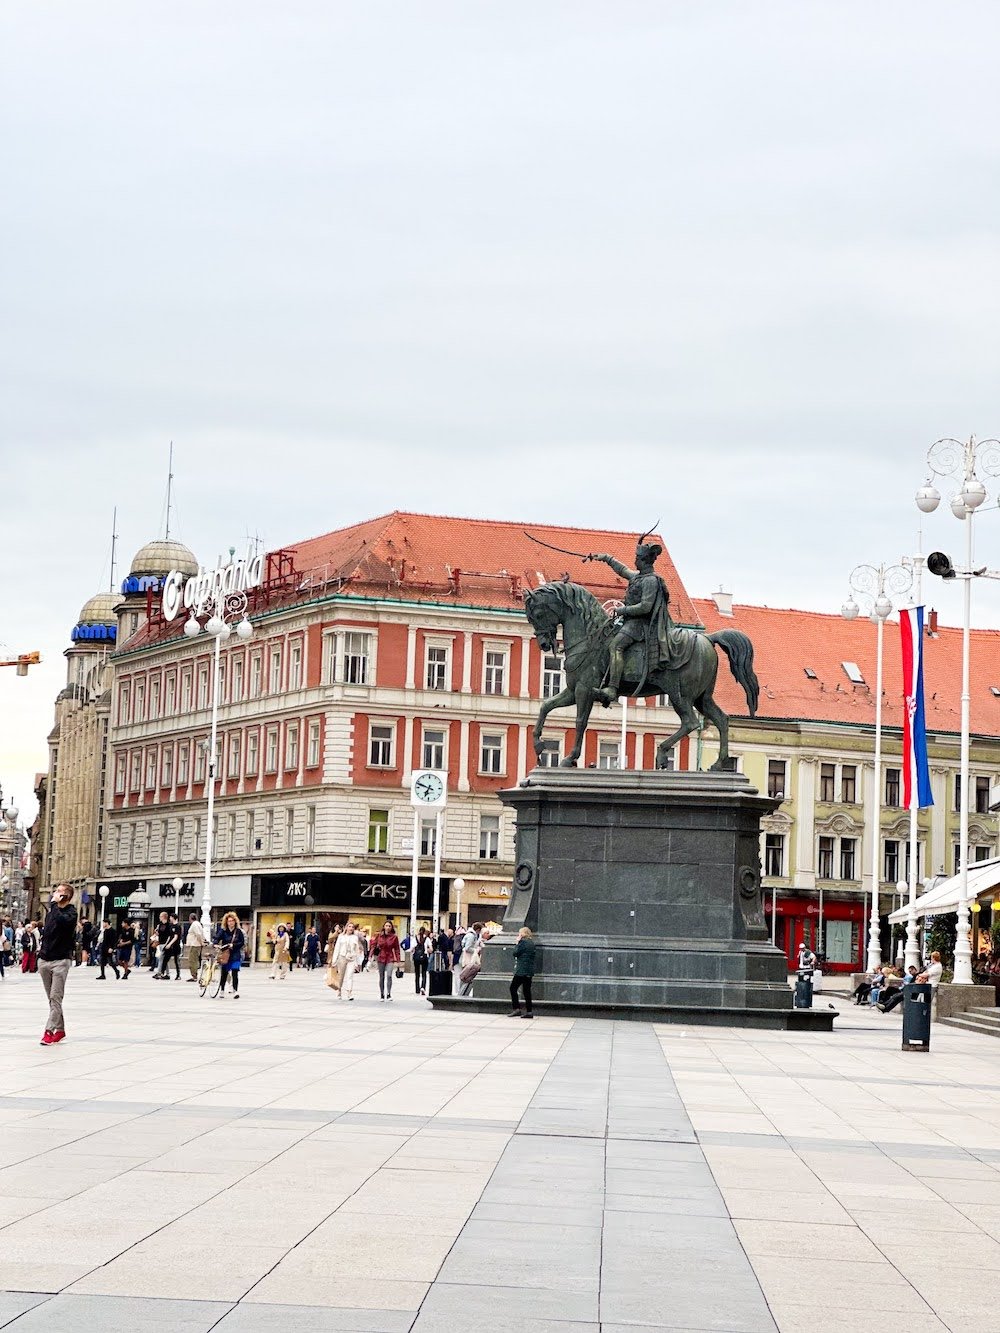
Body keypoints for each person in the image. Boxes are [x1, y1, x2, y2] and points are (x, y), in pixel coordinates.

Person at [587, 537, 693, 703]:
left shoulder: (650, 581)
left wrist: (623, 610)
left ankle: (613, 688)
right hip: (631, 622)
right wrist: (606, 558)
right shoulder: (639, 577)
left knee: (616, 646)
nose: (634, 561)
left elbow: (645, 607)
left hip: (642, 625)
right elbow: (622, 570)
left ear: (644, 561)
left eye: (637, 558)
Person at [38, 884, 78, 1045]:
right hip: (45, 960)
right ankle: (60, 1030)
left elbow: (62, 922)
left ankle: (49, 1031)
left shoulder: (71, 913)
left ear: (66, 896)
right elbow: (47, 932)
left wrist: (54, 905)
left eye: (59, 891)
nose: (55, 893)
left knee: (56, 997)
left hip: (61, 961)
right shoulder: (51, 912)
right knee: (52, 999)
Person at [214, 912, 245, 998]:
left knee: (235, 972)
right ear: (226, 922)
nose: (230, 923)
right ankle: (222, 990)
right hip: (225, 955)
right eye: (229, 921)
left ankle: (235, 991)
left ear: (235, 921)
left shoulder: (239, 932)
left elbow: (242, 942)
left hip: (235, 954)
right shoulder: (223, 931)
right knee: (224, 973)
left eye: (232, 921)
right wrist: (215, 944)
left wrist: (233, 945)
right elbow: (216, 938)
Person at [508, 927, 537, 1019]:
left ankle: (516, 1008)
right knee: (527, 991)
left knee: (513, 988)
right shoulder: (531, 943)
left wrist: (517, 943)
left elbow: (515, 953)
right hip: (529, 970)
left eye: (519, 933)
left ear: (522, 934)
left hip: (521, 970)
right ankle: (529, 1011)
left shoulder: (522, 942)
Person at [331, 922, 363, 1000]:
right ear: (346, 927)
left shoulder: (355, 937)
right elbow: (337, 949)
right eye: (349, 926)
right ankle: (339, 990)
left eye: (352, 927)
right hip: (342, 957)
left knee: (350, 976)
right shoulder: (341, 937)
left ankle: (349, 992)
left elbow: (357, 950)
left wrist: (358, 963)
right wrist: (334, 961)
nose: (351, 928)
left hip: (351, 958)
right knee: (341, 976)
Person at [371, 922, 401, 1001]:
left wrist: (398, 960)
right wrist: (370, 955)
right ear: (383, 927)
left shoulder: (394, 937)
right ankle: (382, 993)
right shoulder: (379, 936)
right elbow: (373, 946)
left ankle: (388, 993)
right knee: (381, 977)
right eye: (386, 926)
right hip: (381, 957)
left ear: (391, 927)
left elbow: (397, 949)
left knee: (389, 975)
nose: (388, 927)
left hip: (390, 957)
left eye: (389, 926)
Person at [185, 912, 206, 981]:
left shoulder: (194, 924)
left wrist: (201, 942)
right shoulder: (198, 924)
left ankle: (194, 976)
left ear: (190, 918)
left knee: (192, 961)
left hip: (195, 945)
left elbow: (198, 934)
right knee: (194, 960)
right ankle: (194, 975)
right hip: (195, 945)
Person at [413, 927, 430, 995]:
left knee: (417, 973)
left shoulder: (415, 938)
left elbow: (412, 948)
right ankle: (423, 987)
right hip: (425, 957)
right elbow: (431, 949)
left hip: (416, 957)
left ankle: (417, 989)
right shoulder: (427, 939)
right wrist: (427, 950)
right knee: (424, 973)